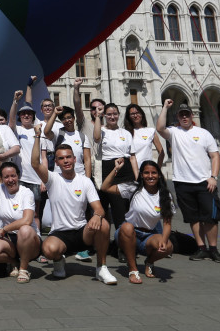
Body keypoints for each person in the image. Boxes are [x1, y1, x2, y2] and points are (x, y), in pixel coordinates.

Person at [31, 125, 118, 285]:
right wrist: (37, 136)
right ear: (56, 162)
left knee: (104, 224)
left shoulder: (84, 181)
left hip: (82, 232)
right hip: (60, 233)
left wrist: (97, 216)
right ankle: (59, 261)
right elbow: (35, 163)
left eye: (68, 157)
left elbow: (98, 208)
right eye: (62, 158)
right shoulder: (52, 179)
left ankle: (101, 267)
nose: (66, 161)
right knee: (49, 250)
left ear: (74, 159)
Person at [156, 99, 220, 263]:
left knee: (210, 217)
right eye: (181, 115)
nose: (185, 117)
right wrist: (165, 107)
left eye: (187, 114)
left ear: (192, 115)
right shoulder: (174, 132)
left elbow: (215, 156)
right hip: (182, 183)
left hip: (204, 182)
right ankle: (201, 248)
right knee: (193, 217)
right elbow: (159, 128)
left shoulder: (204, 133)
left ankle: (214, 249)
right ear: (178, 117)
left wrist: (214, 177)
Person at [101, 159, 175, 283]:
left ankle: (149, 262)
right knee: (127, 227)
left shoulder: (165, 195)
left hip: (148, 236)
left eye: (154, 173)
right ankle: (133, 270)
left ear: (159, 175)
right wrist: (116, 169)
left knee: (168, 246)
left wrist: (163, 240)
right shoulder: (133, 188)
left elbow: (167, 223)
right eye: (146, 173)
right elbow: (105, 187)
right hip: (127, 233)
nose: (150, 176)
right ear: (141, 175)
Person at [92, 103, 135, 253]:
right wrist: (98, 116)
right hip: (106, 170)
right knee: (103, 210)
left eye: (114, 114)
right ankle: (103, 244)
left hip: (124, 171)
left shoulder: (126, 133)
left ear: (118, 115)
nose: (112, 117)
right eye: (109, 114)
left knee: (120, 211)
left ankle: (123, 247)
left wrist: (136, 176)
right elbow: (96, 137)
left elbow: (132, 156)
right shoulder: (102, 130)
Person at [8, 93, 50, 231]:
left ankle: (36, 240)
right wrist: (15, 101)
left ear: (33, 116)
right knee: (19, 212)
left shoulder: (39, 132)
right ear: (20, 117)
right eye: (23, 114)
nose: (26, 116)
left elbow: (43, 158)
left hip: (36, 179)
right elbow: (11, 119)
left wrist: (44, 179)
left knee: (36, 213)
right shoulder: (16, 130)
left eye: (29, 114)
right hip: (19, 178)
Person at [123, 103, 165, 168]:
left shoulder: (150, 131)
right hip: (130, 171)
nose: (135, 115)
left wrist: (157, 169)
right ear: (129, 117)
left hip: (147, 171)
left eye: (137, 113)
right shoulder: (125, 133)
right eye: (132, 114)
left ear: (142, 114)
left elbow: (161, 152)